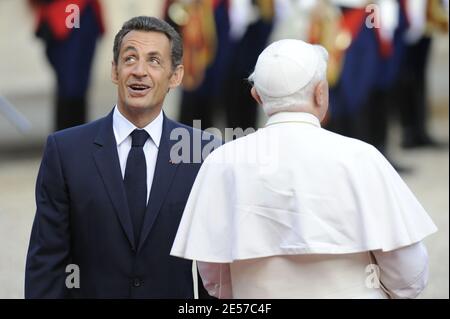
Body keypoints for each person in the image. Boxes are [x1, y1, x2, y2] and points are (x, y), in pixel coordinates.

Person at [170, 39, 438, 298]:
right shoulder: (362, 157)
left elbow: (214, 279)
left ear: (257, 96)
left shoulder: (221, 162)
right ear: (320, 92)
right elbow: (408, 273)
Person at [25, 16, 220, 298]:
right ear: (115, 71)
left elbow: (214, 273)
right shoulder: (65, 151)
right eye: (130, 59)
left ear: (175, 76)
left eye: (154, 61)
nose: (139, 71)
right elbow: (47, 263)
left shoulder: (205, 153)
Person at [28, 0, 104, 131]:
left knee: (75, 82)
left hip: (76, 12)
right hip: (61, 15)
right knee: (69, 82)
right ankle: (69, 135)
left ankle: (73, 134)